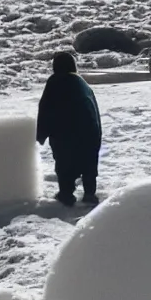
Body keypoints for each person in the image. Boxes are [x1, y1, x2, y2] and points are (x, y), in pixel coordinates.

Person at [36, 50, 103, 206]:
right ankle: (89, 193)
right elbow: (94, 111)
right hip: (89, 132)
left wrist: (41, 134)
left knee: (65, 163)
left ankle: (66, 193)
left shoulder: (55, 81)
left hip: (64, 134)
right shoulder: (83, 83)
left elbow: (45, 108)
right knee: (88, 163)